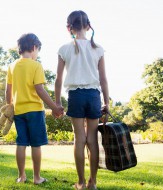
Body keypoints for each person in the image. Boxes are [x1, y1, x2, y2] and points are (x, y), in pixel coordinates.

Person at [54, 10, 109, 190]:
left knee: (79, 140)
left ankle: (81, 182)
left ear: (69, 28)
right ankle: (93, 183)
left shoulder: (64, 49)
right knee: (92, 140)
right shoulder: (98, 49)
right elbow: (103, 80)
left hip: (75, 96)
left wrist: (57, 103)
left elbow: (58, 80)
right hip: (94, 96)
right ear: (88, 25)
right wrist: (106, 102)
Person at [6, 33, 63, 185]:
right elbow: (40, 89)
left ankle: (21, 176)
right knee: (36, 144)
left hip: (18, 111)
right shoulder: (36, 66)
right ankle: (37, 178)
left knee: (21, 143)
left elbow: (8, 90)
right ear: (33, 47)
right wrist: (54, 107)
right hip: (35, 111)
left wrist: (9, 106)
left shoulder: (12, 66)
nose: (37, 54)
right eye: (38, 51)